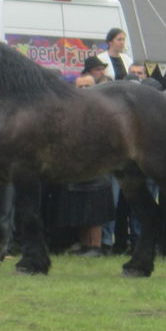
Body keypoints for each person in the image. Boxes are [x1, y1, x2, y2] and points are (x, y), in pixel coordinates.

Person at [53, 74, 115, 256]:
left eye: (87, 86)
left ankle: (95, 246)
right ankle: (84, 245)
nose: (83, 90)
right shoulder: (69, 109)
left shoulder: (103, 109)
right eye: (80, 86)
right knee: (80, 209)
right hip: (75, 167)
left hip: (97, 168)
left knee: (94, 210)